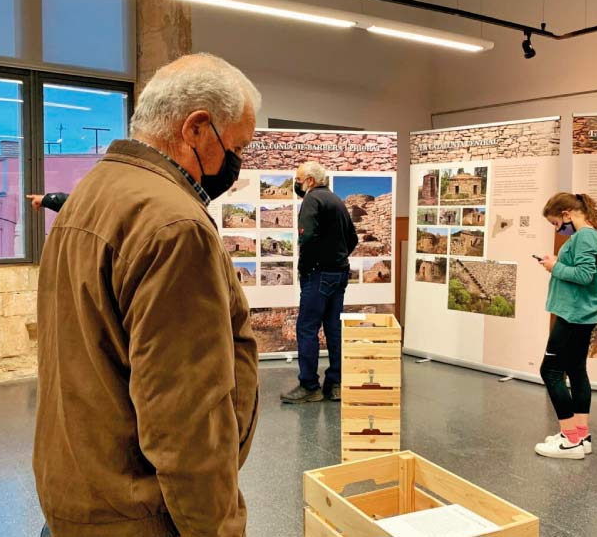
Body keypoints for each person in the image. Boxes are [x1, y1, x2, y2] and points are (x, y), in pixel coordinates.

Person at [34, 54, 261, 537]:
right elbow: (185, 417)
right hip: (140, 513)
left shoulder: (93, 193)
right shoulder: (174, 225)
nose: (236, 168)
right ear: (197, 129)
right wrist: (217, 528)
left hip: (80, 492)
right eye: (237, 146)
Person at [534, 192, 597, 460]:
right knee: (576, 371)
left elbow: (584, 275)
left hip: (574, 314)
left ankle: (570, 440)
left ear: (567, 214)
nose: (558, 229)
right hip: (580, 313)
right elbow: (581, 269)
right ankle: (580, 435)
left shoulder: (585, 236)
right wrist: (556, 263)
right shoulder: (589, 236)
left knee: (551, 371)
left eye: (556, 223)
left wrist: (554, 266)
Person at [280, 162, 358, 404]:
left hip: (318, 274)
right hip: (339, 273)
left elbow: (308, 237)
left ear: (310, 181)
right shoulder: (337, 201)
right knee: (333, 328)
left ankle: (309, 386)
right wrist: (337, 258)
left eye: (299, 178)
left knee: (307, 328)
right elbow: (352, 238)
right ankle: (335, 384)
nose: (297, 183)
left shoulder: (312, 200)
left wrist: (308, 266)